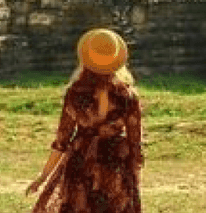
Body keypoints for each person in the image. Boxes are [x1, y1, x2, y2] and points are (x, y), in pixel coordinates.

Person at [26, 28, 144, 213]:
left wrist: (44, 176)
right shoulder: (127, 96)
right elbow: (135, 144)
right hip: (115, 164)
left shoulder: (76, 93)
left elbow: (61, 141)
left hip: (81, 162)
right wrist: (134, 179)